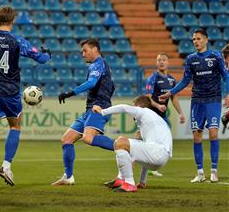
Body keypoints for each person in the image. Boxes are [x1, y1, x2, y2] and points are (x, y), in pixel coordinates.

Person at [0, 5, 51, 191]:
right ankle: (6, 167)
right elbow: (41, 59)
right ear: (12, 21)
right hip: (11, 92)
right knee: (15, 126)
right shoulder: (17, 40)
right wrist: (47, 53)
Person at [159, 29, 229, 183]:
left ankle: (214, 170)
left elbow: (226, 76)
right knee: (196, 136)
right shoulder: (191, 59)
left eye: (198, 39)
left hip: (213, 100)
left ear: (205, 40)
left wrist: (228, 94)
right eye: (193, 39)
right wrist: (170, 93)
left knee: (213, 134)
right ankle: (200, 172)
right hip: (197, 101)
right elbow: (185, 81)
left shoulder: (216, 56)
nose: (195, 42)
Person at [52, 38, 116, 186]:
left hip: (98, 107)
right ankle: (68, 177)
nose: (82, 54)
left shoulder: (98, 63)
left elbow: (92, 83)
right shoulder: (101, 65)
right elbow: (111, 86)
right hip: (90, 109)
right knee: (66, 139)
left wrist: (69, 93)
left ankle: (126, 147)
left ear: (95, 50)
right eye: (82, 51)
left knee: (88, 138)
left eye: (85, 50)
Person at [92, 95, 172, 192]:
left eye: (134, 106)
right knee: (128, 148)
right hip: (159, 158)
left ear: (138, 106)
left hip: (158, 153)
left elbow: (123, 108)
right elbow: (147, 152)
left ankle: (129, 183)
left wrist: (103, 111)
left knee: (120, 142)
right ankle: (120, 179)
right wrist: (142, 181)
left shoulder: (143, 111)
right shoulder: (152, 120)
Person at [145, 53, 185, 177]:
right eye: (159, 60)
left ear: (168, 62)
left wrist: (181, 113)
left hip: (162, 117)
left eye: (164, 60)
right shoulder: (153, 78)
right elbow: (147, 97)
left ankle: (152, 166)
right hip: (151, 115)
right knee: (149, 141)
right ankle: (136, 161)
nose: (161, 62)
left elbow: (174, 98)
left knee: (161, 141)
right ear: (156, 63)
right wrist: (157, 106)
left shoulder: (172, 80)